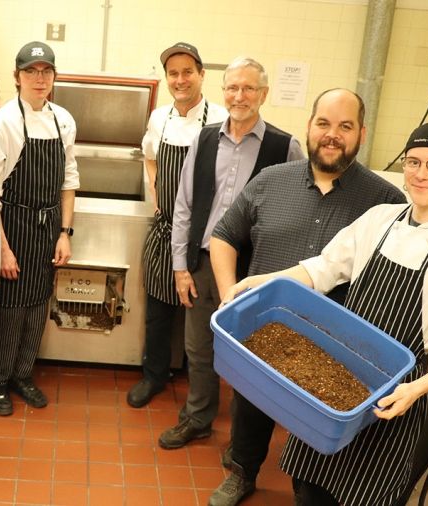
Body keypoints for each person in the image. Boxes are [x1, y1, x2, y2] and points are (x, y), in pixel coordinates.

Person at [224, 121, 428, 506]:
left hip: (396, 398)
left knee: (362, 497)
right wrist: (263, 281)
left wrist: (415, 389)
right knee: (309, 490)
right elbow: (322, 268)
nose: (422, 174)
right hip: (338, 380)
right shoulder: (379, 220)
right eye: (414, 162)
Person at [206, 88, 406, 506]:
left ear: (361, 134)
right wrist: (229, 296)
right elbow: (224, 236)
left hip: (333, 346)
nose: (332, 135)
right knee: (250, 409)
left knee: (318, 426)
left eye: (345, 126)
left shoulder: (386, 201)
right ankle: (242, 472)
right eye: (324, 123)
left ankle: (308, 488)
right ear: (309, 127)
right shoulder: (270, 181)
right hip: (264, 330)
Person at [162, 57, 304, 449]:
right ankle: (198, 417)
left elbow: (297, 210)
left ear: (264, 94)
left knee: (250, 358)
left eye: (248, 88)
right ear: (222, 91)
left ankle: (244, 442)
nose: (239, 96)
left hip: (252, 272)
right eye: (232, 88)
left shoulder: (285, 146)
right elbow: (184, 206)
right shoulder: (205, 139)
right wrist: (180, 267)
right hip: (203, 264)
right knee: (198, 348)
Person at [127, 42, 228, 409]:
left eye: (188, 72)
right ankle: (154, 375)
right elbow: (150, 158)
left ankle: (194, 384)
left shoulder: (219, 119)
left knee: (199, 317)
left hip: (204, 238)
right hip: (166, 228)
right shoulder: (159, 118)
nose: (181, 79)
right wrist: (157, 197)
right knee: (158, 312)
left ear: (202, 75)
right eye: (173, 73)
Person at [0, 41, 78, 416]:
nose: (39, 79)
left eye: (46, 72)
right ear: (17, 77)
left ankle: (23, 375)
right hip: (12, 224)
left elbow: (68, 180)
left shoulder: (63, 119)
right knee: (8, 308)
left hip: (49, 225)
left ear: (53, 76)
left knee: (38, 305)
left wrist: (65, 232)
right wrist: (2, 248)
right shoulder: (1, 123)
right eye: (31, 72)